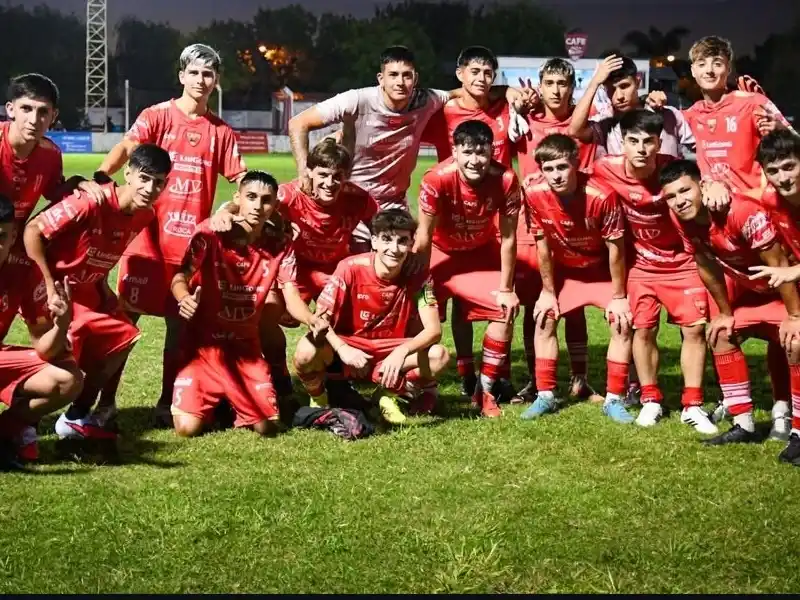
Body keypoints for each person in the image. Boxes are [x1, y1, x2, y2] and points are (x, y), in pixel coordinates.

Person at [90, 43, 247, 428]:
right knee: (124, 325)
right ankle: (104, 402)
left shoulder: (221, 132)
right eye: (194, 72)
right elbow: (128, 147)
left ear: (216, 81)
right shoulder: (157, 116)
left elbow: (239, 178)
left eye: (208, 74)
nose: (201, 80)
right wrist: (97, 179)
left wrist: (238, 206)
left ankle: (166, 401)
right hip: (145, 246)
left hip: (189, 251)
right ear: (181, 76)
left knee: (179, 330)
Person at [288, 45, 529, 251]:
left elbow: (466, 91)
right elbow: (298, 123)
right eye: (393, 75)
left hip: (393, 202)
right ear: (381, 78)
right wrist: (303, 174)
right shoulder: (357, 100)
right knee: (350, 273)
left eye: (407, 75)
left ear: (416, 78)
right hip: (350, 200)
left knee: (404, 275)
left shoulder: (426, 100)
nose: (400, 82)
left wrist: (507, 91)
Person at [23, 144, 172, 440]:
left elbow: (100, 251)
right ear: (127, 173)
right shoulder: (90, 202)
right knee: (63, 356)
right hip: (52, 288)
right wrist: (50, 285)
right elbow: (32, 232)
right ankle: (25, 419)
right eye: (144, 178)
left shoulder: (144, 215)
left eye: (159, 182)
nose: (150, 187)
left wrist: (102, 286)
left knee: (125, 337)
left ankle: (76, 416)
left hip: (87, 291)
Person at [662, 159, 800, 465]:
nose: (679, 201)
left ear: (702, 185)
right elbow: (705, 263)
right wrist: (724, 311)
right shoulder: (681, 219)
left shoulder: (740, 212)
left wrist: (794, 316)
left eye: (685, 191)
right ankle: (743, 423)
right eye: (671, 196)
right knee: (721, 333)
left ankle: (798, 433)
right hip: (753, 294)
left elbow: (778, 264)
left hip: (788, 292)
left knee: (796, 342)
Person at [593, 110, 718, 432]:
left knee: (694, 331)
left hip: (683, 263)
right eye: (633, 141)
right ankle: (651, 399)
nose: (641, 149)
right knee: (642, 331)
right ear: (622, 142)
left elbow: (705, 179)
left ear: (659, 143)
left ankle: (693, 404)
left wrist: (717, 184)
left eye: (648, 141)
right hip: (641, 267)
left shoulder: (670, 170)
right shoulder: (605, 169)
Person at [170, 171, 312, 437]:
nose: (258, 206)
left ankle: (236, 398)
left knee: (267, 428)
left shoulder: (280, 243)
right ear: (238, 199)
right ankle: (222, 400)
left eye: (266, 200)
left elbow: (291, 295)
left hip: (245, 350)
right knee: (186, 430)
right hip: (203, 349)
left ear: (275, 206)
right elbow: (180, 275)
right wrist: (184, 298)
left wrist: (312, 319)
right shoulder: (210, 233)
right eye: (251, 197)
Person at [420, 45, 522, 403]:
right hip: (444, 242)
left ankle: (490, 383)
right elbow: (404, 129)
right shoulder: (441, 114)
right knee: (426, 315)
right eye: (473, 72)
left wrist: (513, 95)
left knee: (502, 304)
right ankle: (439, 378)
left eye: (488, 73)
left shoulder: (505, 107)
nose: (481, 79)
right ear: (460, 73)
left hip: (484, 234)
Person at [293, 208, 449, 424]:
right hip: (350, 345)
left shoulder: (418, 274)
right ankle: (319, 398)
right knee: (305, 351)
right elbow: (320, 320)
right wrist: (342, 349)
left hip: (390, 348)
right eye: (386, 240)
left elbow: (434, 330)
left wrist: (401, 352)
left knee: (439, 356)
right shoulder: (350, 268)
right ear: (374, 241)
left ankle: (388, 394)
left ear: (411, 243)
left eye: (402, 241)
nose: (394, 249)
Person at [518, 134, 633, 421]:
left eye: (561, 167)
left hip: (600, 272)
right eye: (548, 169)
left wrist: (619, 297)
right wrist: (547, 290)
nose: (555, 176)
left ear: (576, 164)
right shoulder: (533, 194)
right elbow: (542, 246)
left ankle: (614, 398)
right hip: (567, 272)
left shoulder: (602, 195)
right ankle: (546, 395)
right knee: (543, 316)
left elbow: (615, 250)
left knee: (621, 323)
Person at [514, 58, 602, 405]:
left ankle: (580, 379)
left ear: (572, 86)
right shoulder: (524, 122)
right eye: (549, 82)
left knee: (575, 304)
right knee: (533, 304)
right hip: (531, 225)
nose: (555, 90)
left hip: (573, 228)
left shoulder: (583, 128)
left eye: (562, 83)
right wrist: (513, 98)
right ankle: (536, 380)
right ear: (540, 84)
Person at [0, 195, 82, 468]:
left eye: (2, 236)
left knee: (67, 379)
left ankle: (5, 431)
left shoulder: (23, 270)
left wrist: (62, 324)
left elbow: (44, 347)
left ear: (13, 239)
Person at [745, 130, 800, 441]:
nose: (783, 177)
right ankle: (787, 413)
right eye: (774, 171)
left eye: (790, 166)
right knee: (787, 337)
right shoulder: (770, 200)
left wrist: (794, 272)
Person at [568, 54, 695, 159]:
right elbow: (575, 130)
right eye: (611, 89)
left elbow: (699, 151)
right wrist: (594, 83)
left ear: (638, 82)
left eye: (624, 86)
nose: (619, 96)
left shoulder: (668, 115)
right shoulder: (605, 124)